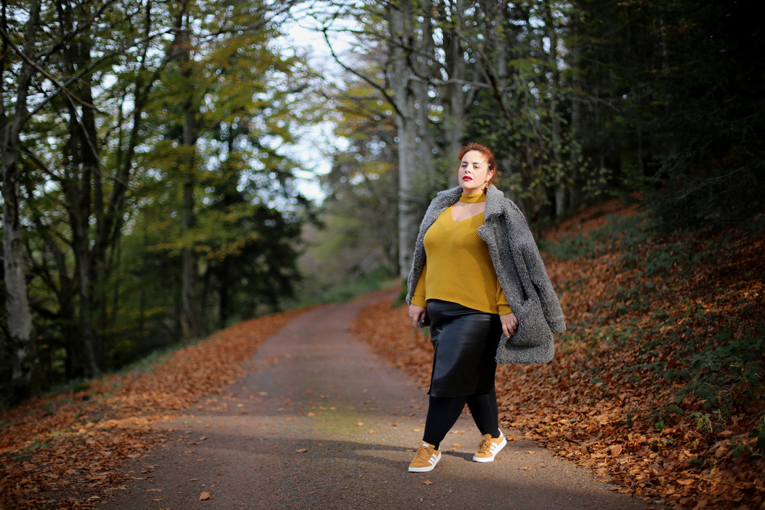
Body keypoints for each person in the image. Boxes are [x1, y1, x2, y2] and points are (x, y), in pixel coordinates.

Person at [405, 142, 566, 473]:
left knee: (449, 377)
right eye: (464, 164)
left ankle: (429, 446)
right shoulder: (440, 206)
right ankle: (493, 435)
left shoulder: (501, 211)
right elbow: (426, 256)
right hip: (439, 311)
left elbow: (509, 263)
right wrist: (418, 298)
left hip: (478, 312)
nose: (468, 170)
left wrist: (506, 305)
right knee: (475, 379)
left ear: (490, 174)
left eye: (476, 165)